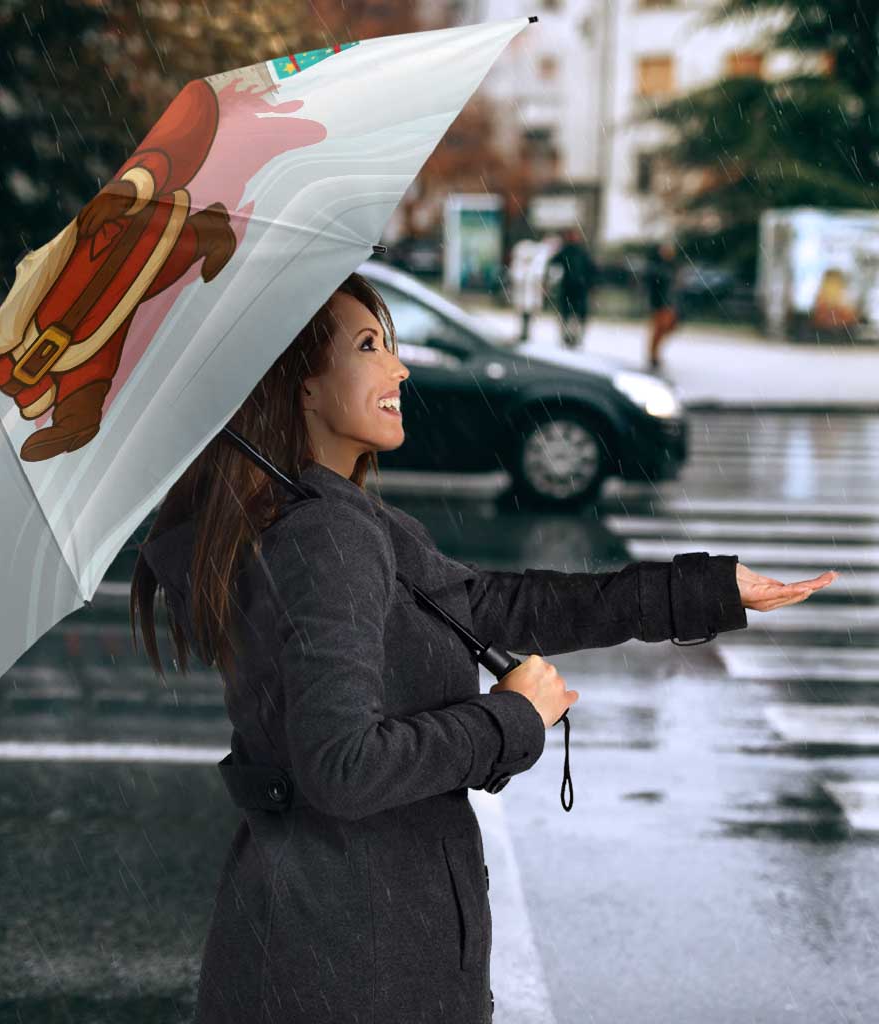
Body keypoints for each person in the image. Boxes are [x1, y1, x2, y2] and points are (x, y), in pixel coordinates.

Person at [130, 271, 830, 1024]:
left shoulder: (332, 517)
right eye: (369, 346)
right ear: (300, 385)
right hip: (355, 962)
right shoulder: (324, 536)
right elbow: (342, 768)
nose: (399, 368)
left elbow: (494, 605)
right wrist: (511, 719)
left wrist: (705, 591)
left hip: (336, 941)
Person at [547, 226, 597, 349]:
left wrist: (590, 284)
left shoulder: (580, 252)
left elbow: (591, 270)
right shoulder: (567, 251)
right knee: (568, 314)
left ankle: (574, 337)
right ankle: (568, 337)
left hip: (578, 288)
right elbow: (553, 264)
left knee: (575, 315)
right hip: (570, 288)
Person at [645, 239, 681, 370]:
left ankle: (654, 354)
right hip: (660, 303)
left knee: (667, 328)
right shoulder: (657, 267)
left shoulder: (672, 266)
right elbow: (654, 286)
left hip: (669, 303)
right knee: (659, 329)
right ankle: (653, 355)